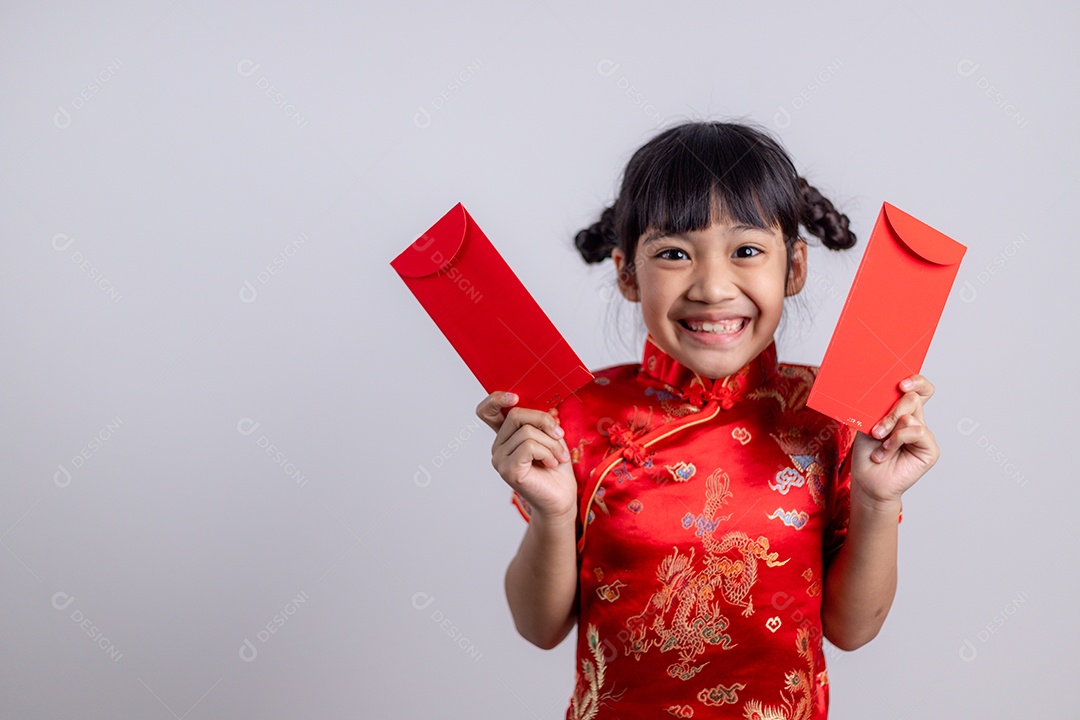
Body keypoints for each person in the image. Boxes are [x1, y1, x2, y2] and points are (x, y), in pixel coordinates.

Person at [475, 120, 938, 719]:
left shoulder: (834, 415)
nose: (714, 287)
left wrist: (877, 500)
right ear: (626, 273)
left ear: (794, 266)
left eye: (747, 251)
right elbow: (538, 627)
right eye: (673, 253)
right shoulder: (577, 414)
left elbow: (852, 630)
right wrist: (553, 510)